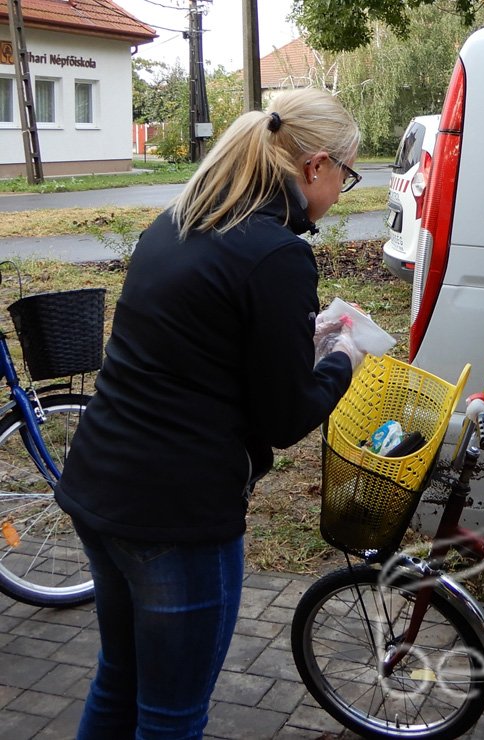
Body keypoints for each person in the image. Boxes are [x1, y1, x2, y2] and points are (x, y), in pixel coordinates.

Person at [56, 87, 366, 740]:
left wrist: (294, 344)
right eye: (347, 172)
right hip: (177, 514)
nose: (344, 188)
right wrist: (344, 355)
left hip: (100, 485)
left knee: (119, 677)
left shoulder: (177, 221)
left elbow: (198, 349)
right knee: (171, 715)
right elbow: (286, 417)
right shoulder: (277, 253)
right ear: (315, 166)